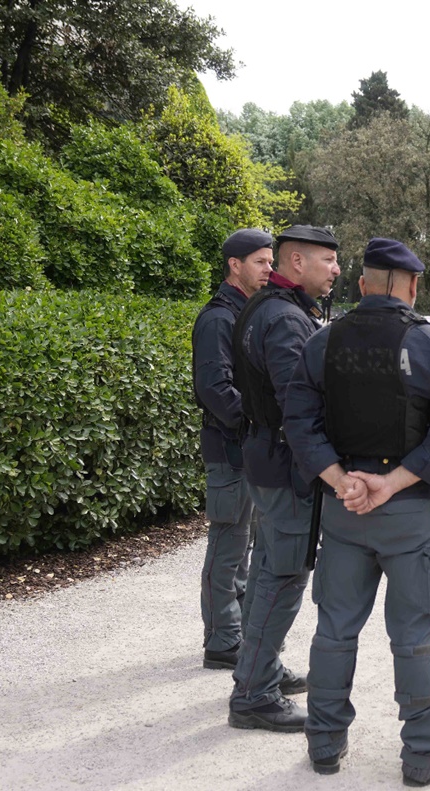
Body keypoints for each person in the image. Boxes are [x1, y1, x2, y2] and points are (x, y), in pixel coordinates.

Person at [285, 238, 430, 785]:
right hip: (409, 510)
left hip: (345, 510)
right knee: (414, 637)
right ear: (412, 286)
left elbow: (300, 424)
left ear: (365, 283)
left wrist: (345, 481)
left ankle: (323, 744)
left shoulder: (322, 342)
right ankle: (423, 754)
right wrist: (388, 484)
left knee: (334, 631)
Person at [226, 225, 340, 732]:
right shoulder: (287, 319)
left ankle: (259, 671)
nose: (337, 270)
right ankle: (253, 692)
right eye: (328, 261)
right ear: (296, 262)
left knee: (273, 567)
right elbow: (300, 405)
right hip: (284, 463)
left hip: (266, 455)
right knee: (284, 575)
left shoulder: (265, 306)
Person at [192, 228, 273, 670]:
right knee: (228, 545)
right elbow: (214, 388)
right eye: (260, 262)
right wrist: (256, 423)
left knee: (247, 547)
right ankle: (222, 640)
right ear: (235, 265)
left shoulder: (249, 313)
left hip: (252, 449)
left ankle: (235, 633)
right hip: (230, 450)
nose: (269, 269)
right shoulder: (219, 318)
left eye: (269, 261)